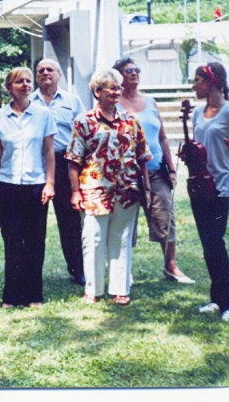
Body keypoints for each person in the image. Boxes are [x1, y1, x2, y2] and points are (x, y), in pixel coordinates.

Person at [67, 69, 151, 306]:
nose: (117, 92)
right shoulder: (84, 121)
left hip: (127, 190)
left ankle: (120, 290)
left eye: (118, 88)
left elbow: (143, 157)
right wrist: (75, 191)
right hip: (94, 190)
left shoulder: (131, 121)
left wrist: (146, 189)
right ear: (97, 92)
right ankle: (92, 291)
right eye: (112, 88)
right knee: (93, 240)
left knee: (121, 239)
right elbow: (74, 159)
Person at [114, 56, 193, 284]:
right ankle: (124, 270)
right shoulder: (115, 103)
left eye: (136, 69)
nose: (134, 73)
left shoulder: (150, 102)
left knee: (165, 216)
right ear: (119, 76)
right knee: (125, 222)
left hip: (156, 170)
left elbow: (163, 138)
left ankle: (170, 265)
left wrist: (171, 168)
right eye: (128, 70)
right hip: (127, 173)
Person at [0, 67, 56, 308]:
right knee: (12, 240)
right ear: (10, 88)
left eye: (28, 81)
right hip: (7, 186)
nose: (25, 85)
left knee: (35, 240)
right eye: (19, 82)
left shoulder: (43, 114)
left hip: (36, 185)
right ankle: (12, 295)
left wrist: (50, 183)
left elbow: (48, 151)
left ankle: (34, 294)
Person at [31, 59, 87, 285]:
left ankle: (78, 269)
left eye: (50, 69)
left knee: (70, 221)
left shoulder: (72, 101)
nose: (45, 73)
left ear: (59, 75)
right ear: (36, 76)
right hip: (36, 165)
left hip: (65, 164)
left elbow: (83, 132)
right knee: (35, 222)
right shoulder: (28, 102)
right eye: (41, 70)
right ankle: (32, 272)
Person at [188, 63, 229, 321]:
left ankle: (228, 302)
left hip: (222, 185)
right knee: (208, 244)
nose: (194, 85)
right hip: (200, 186)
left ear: (211, 82)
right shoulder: (196, 113)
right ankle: (217, 299)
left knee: (215, 242)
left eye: (197, 80)